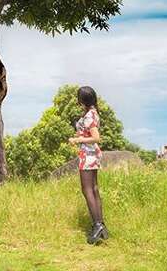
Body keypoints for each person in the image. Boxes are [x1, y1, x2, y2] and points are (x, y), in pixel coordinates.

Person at [68, 85, 109, 244]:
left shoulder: (90, 115)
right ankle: (101, 225)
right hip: (92, 154)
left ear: (82, 99)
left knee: (87, 190)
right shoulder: (92, 113)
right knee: (94, 189)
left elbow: (96, 137)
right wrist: (79, 135)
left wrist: (77, 140)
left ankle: (97, 225)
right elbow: (88, 133)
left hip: (88, 155)